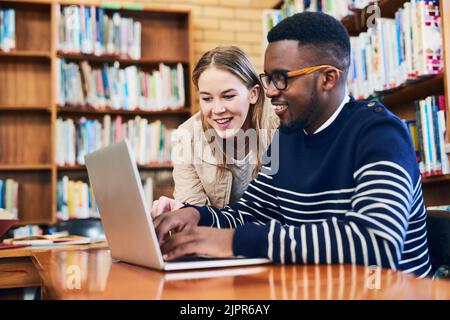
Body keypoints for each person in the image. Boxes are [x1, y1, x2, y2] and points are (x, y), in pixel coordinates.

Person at [154, 12, 431, 278]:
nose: (270, 91)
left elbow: (376, 242)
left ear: (328, 78)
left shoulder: (380, 133)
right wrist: (194, 214)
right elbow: (250, 214)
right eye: (268, 78)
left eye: (281, 78)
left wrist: (235, 242)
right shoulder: (288, 137)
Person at [151, 46, 278, 217]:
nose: (217, 109)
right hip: (219, 237)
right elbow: (193, 217)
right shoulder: (187, 137)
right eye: (207, 98)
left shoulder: (280, 124)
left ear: (253, 94)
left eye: (228, 96)